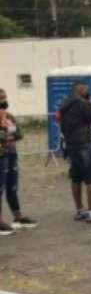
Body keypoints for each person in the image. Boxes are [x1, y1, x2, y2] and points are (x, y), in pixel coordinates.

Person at [59, 81, 91, 223]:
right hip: (84, 143)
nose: (88, 92)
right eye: (87, 89)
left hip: (71, 144)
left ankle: (80, 210)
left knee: (76, 177)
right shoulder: (82, 103)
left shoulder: (65, 103)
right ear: (81, 90)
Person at [0, 89, 36, 233]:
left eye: (5, 98)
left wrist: (9, 132)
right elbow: (3, 136)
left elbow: (19, 134)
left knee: (12, 187)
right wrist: (3, 127)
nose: (4, 101)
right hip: (1, 156)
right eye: (1, 98)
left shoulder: (9, 116)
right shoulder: (4, 118)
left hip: (11, 154)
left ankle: (18, 216)